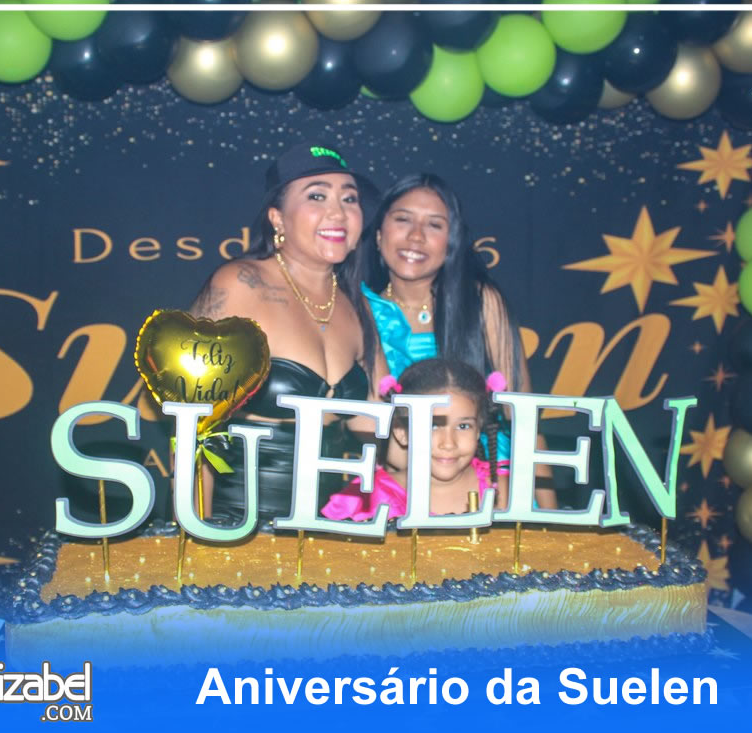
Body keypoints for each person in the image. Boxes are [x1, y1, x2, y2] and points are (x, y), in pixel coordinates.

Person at [189, 143, 388, 522]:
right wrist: (198, 531)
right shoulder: (240, 284)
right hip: (238, 525)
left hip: (327, 528)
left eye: (349, 199)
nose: (338, 212)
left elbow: (379, 429)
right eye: (317, 196)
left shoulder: (358, 305)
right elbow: (192, 428)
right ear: (277, 218)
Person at [354, 173, 555, 506]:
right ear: (377, 234)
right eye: (403, 220)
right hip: (400, 492)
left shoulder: (481, 302)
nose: (416, 236)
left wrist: (551, 516)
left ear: (451, 242)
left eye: (434, 225)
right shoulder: (357, 311)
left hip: (496, 488)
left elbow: (524, 419)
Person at [321, 359, 557, 520]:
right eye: (433, 425)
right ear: (402, 432)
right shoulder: (365, 497)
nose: (448, 443)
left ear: (479, 430)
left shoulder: (503, 492)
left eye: (463, 426)